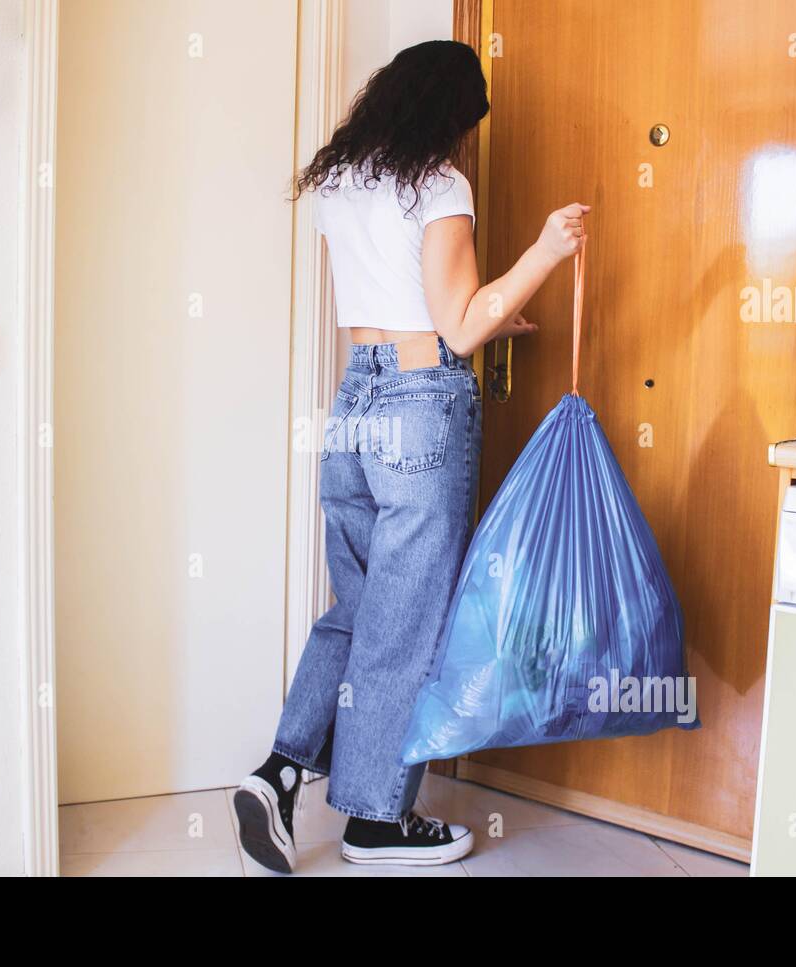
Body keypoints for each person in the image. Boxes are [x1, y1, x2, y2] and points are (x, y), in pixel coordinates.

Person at [234, 39, 589, 873]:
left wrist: (488, 315)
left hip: (355, 404)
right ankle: (376, 821)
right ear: (449, 115)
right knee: (409, 621)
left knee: (359, 610)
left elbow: (404, 304)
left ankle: (281, 772)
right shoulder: (439, 182)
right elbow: (455, 326)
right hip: (421, 410)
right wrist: (544, 249)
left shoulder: (342, 180)